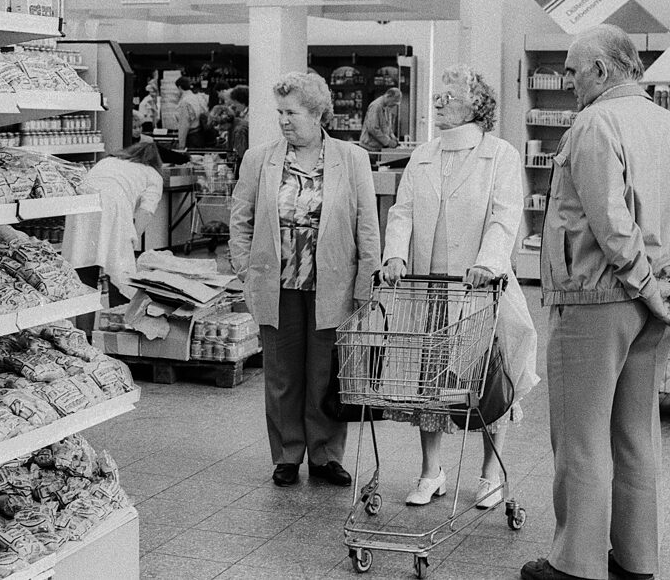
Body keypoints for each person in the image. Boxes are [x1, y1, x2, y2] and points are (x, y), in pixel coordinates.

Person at [521, 25, 670, 580]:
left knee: (581, 436)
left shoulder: (593, 123)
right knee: (635, 435)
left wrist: (646, 286)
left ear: (602, 71)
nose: (568, 80)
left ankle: (576, 565)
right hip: (656, 308)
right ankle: (636, 560)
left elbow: (610, 222)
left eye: (573, 71)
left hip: (596, 299)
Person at [380, 66, 539, 509]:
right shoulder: (423, 155)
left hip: (478, 291)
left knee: (489, 378)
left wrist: (488, 263)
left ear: (476, 105)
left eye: (448, 96)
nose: (437, 102)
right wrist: (395, 254)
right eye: (438, 95)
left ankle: (491, 472)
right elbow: (403, 211)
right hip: (429, 287)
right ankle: (431, 471)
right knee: (430, 380)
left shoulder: (500, 154)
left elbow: (505, 214)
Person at [229, 71, 381, 488]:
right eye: (279, 112)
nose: (283, 121)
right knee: (281, 374)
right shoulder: (260, 159)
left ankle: (326, 455)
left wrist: (366, 284)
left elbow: (367, 227)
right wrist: (247, 271)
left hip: (332, 283)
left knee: (327, 373)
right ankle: (287, 455)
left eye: (291, 113)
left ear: (317, 114)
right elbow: (240, 221)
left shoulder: (351, 158)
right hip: (277, 285)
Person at [62, 137, 164, 331]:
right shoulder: (153, 174)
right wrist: (131, 240)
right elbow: (146, 212)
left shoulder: (108, 160)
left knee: (85, 274)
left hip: (81, 204)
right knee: (120, 275)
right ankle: (118, 335)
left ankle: (85, 337)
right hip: (114, 206)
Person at [359, 86, 401, 154]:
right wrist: (388, 142)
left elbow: (387, 127)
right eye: (394, 102)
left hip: (377, 148)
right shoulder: (376, 106)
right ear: (388, 96)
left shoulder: (386, 107)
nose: (394, 105)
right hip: (369, 148)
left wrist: (393, 138)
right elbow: (373, 128)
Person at [174, 76, 209, 151]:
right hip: (200, 134)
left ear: (179, 88)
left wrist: (181, 145)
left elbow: (184, 124)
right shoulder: (197, 97)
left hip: (191, 137)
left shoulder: (184, 102)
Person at [226, 85, 249, 175]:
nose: (234, 105)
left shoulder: (250, 115)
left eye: (235, 102)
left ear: (241, 101)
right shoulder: (243, 113)